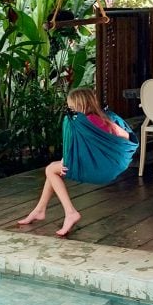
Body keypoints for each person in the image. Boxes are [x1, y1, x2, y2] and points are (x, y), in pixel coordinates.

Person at [17, 87, 133, 238]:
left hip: (96, 168)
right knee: (52, 169)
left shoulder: (87, 122)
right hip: (108, 165)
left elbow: (76, 144)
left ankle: (70, 212)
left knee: (51, 170)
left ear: (79, 105)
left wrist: (68, 158)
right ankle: (40, 210)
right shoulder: (104, 118)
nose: (70, 110)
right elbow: (126, 136)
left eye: (71, 106)